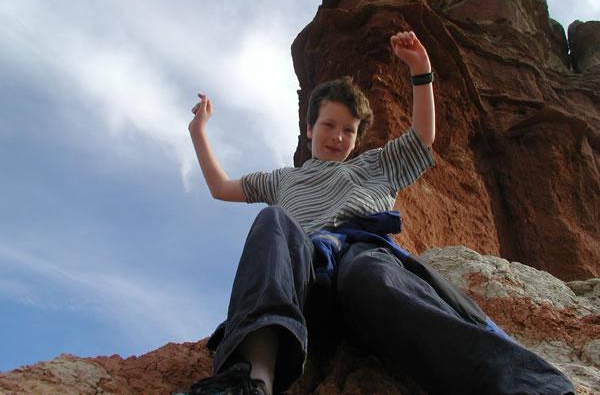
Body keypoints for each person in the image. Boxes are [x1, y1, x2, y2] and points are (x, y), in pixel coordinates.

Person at [184, 31, 575, 395]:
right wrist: (198, 132)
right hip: (305, 284)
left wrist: (420, 70)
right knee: (274, 221)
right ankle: (251, 380)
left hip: (364, 274)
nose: (337, 136)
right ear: (310, 129)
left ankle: (526, 386)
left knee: (370, 270)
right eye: (328, 125)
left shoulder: (376, 166)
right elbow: (221, 187)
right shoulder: (282, 179)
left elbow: (422, 136)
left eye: (348, 130)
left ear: (358, 138)